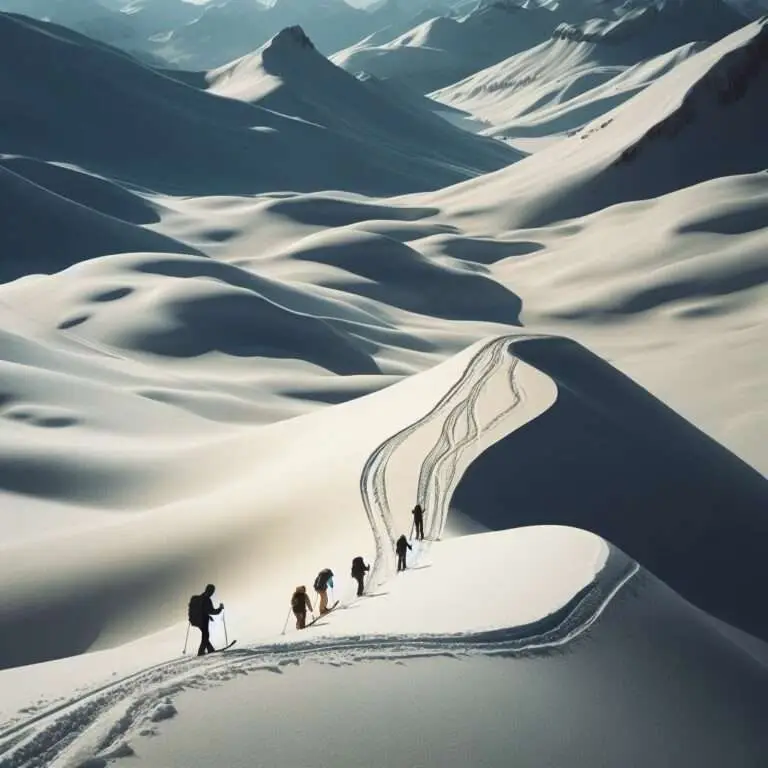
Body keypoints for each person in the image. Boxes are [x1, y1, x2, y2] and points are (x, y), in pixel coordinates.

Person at [188, 583, 224, 656]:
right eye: (212, 591)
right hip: (203, 620)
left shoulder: (200, 598)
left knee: (205, 635)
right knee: (206, 635)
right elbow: (212, 611)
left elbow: (203, 610)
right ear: (210, 591)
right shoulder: (207, 600)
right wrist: (220, 608)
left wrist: (208, 616)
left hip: (196, 620)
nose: (212, 593)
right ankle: (201, 652)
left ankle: (210, 649)